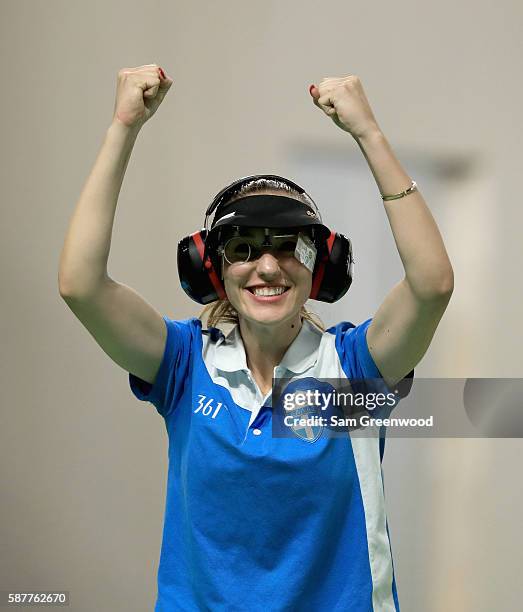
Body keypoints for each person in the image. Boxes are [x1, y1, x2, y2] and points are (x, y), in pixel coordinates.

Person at [58, 64, 454, 611]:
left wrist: (370, 135)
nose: (268, 266)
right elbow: (80, 285)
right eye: (243, 248)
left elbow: (431, 285)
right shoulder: (182, 364)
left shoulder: (354, 368)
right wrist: (123, 127)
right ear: (211, 268)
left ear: (322, 266)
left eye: (290, 246)